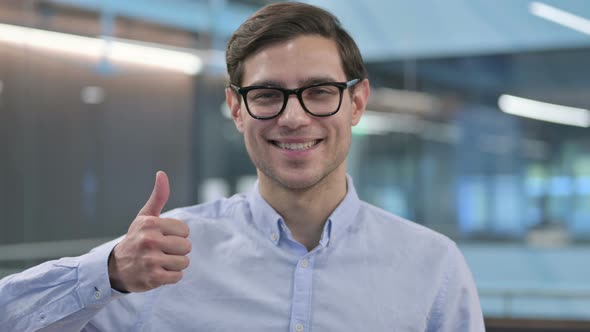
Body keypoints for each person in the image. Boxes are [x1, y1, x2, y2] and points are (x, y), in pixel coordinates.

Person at [0, 2, 485, 331]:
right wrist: (109, 272)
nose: (293, 118)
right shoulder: (161, 257)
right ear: (236, 109)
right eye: (268, 95)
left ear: (356, 102)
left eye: (319, 92)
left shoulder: (433, 267)